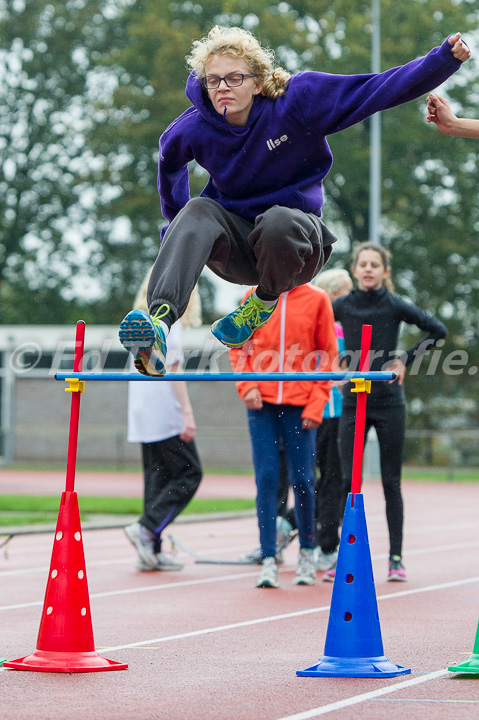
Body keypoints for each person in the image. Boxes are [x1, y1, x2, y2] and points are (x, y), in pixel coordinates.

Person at [117, 26, 469, 376]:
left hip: (298, 247)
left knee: (277, 220)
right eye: (214, 81)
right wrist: (179, 233)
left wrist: (441, 61)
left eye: (234, 78)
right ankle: (159, 327)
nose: (223, 87)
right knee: (197, 210)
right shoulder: (192, 128)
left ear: (257, 82)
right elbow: (169, 162)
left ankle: (262, 303)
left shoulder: (296, 100)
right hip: (238, 251)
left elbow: (373, 91)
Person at [332, 243, 448, 582]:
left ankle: (395, 558)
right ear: (355, 270)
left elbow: (437, 330)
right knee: (346, 481)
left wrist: (404, 360)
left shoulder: (395, 305)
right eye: (363, 264)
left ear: (385, 272)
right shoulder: (342, 306)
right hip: (354, 401)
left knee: (390, 482)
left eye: (374, 265)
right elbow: (317, 326)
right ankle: (341, 554)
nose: (368, 269)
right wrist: (334, 356)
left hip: (388, 403)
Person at [230, 283, 338, 588]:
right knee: (266, 479)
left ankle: (307, 551)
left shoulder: (317, 298)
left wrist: (316, 405)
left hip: (300, 405)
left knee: (303, 480)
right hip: (261, 403)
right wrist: (246, 385)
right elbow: (238, 344)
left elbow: (327, 355)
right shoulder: (254, 295)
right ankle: (268, 558)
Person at [124, 271, 203, 571]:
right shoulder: (169, 323)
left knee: (157, 478)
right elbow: (173, 371)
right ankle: (147, 526)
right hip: (165, 409)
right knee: (190, 473)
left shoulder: (140, 324)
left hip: (143, 411)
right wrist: (187, 412)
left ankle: (151, 549)